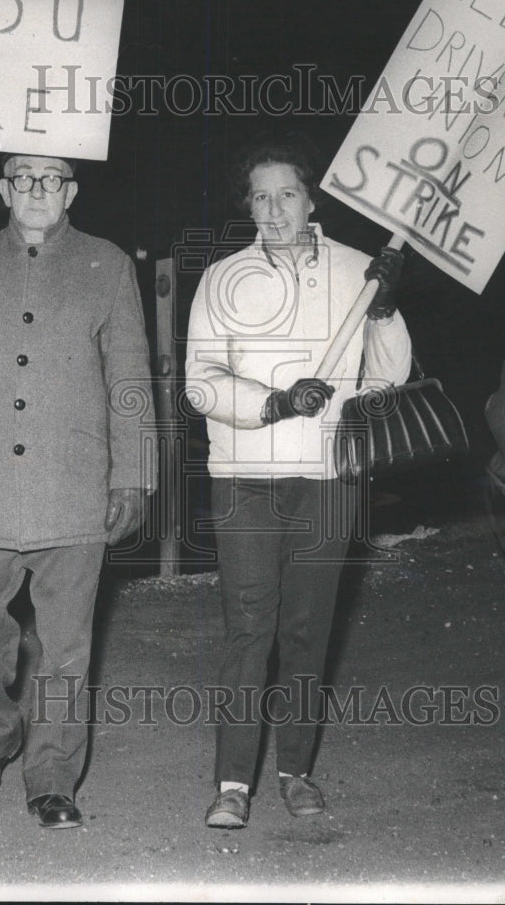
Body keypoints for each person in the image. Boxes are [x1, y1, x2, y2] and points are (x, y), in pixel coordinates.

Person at [0, 152, 155, 829]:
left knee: (66, 648)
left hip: (73, 484)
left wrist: (132, 475)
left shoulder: (108, 263)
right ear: (2, 188)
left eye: (52, 178)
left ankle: (52, 777)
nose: (38, 189)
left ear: (71, 189)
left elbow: (130, 377)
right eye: (24, 177)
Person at [186, 130, 411, 828]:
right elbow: (200, 383)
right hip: (246, 477)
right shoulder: (223, 279)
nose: (275, 209)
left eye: (288, 193)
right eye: (261, 197)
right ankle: (232, 784)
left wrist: (384, 310)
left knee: (308, 628)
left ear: (311, 198)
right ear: (247, 206)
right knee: (250, 626)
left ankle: (297, 772)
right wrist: (274, 403)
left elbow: (391, 376)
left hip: (328, 475)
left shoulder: (358, 270)